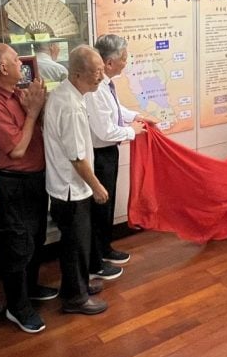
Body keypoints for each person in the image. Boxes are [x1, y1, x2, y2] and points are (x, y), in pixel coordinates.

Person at [0, 42, 55, 334]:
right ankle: (16, 307)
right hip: (13, 181)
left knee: (35, 238)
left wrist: (39, 107)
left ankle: (31, 288)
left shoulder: (17, 94)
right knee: (17, 244)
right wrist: (33, 112)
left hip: (35, 177)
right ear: (3, 68)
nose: (21, 61)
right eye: (14, 57)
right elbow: (17, 150)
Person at [44, 44, 110, 315]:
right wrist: (97, 186)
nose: (101, 77)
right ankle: (75, 298)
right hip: (71, 190)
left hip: (66, 187)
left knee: (78, 243)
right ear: (78, 74)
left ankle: (80, 284)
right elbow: (76, 157)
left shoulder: (68, 95)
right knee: (76, 245)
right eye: (96, 72)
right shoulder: (69, 105)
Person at [87, 34, 156, 280]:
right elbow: (104, 130)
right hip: (98, 154)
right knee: (99, 208)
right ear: (109, 63)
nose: (126, 63)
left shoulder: (106, 84)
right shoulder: (95, 87)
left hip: (108, 152)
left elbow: (116, 110)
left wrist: (138, 116)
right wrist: (132, 131)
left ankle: (105, 249)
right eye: (124, 58)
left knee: (108, 204)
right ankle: (95, 262)